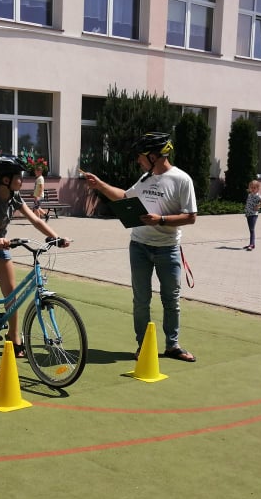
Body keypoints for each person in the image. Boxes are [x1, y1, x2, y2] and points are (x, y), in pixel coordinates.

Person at [81, 132, 198, 362]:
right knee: (141, 300)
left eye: (141, 156)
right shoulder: (145, 178)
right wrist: (100, 185)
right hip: (139, 247)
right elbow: (125, 197)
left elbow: (190, 216)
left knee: (171, 299)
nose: (138, 160)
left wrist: (160, 220)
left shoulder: (182, 180)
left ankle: (172, 346)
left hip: (168, 248)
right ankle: (143, 345)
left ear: (154, 156)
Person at [0, 156, 70, 366]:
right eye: (18, 176)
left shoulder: (14, 197)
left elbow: (35, 219)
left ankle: (14, 336)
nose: (22, 180)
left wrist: (56, 237)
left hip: (1, 244)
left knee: (12, 294)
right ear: (5, 179)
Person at [244, 179, 261, 251]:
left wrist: (258, 206)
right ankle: (252, 244)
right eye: (251, 187)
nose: (253, 189)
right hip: (248, 214)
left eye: (254, 188)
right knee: (251, 230)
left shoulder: (258, 196)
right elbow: (248, 204)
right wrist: (246, 213)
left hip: (253, 214)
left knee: (252, 230)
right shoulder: (250, 195)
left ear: (258, 188)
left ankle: (251, 244)